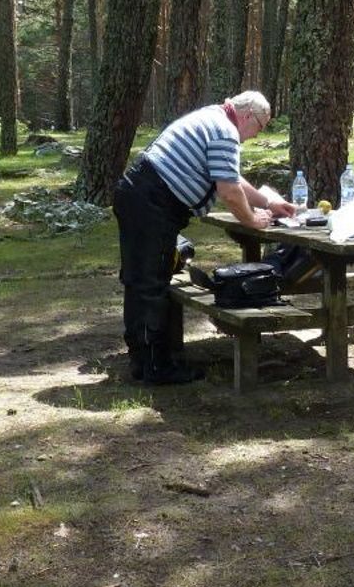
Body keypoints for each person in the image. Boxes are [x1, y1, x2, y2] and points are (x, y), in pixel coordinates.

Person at [114, 91, 296, 384]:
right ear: (248, 116)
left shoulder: (215, 118)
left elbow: (231, 177)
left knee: (141, 279)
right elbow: (229, 191)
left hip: (142, 194)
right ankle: (156, 368)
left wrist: (268, 202)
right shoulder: (225, 131)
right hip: (152, 201)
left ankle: (142, 360)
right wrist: (253, 220)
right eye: (260, 127)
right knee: (150, 282)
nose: (256, 135)